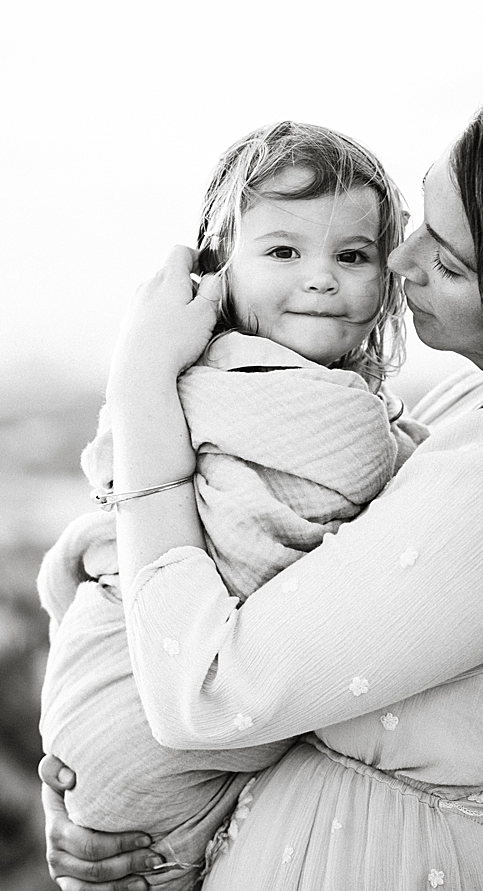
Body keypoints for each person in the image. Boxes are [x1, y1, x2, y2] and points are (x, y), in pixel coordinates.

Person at [41, 109, 483, 889]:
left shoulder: (364, 427)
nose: (402, 261)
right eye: (417, 224)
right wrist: (111, 777)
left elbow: (205, 690)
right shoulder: (452, 405)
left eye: (449, 263)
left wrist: (140, 377)